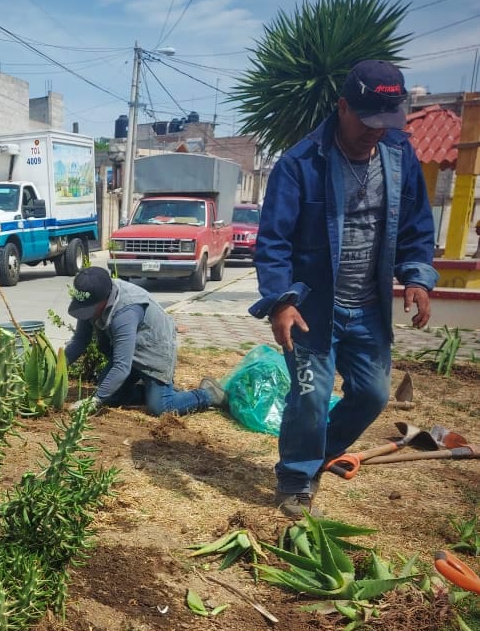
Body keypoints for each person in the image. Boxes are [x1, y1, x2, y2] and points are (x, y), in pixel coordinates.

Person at [251, 59, 438, 519]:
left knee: (373, 395)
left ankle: (319, 454)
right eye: (368, 120)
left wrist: (416, 276)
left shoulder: (399, 156)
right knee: (311, 395)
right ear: (343, 107)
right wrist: (281, 301)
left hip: (368, 308)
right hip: (313, 308)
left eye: (387, 122)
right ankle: (296, 477)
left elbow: (416, 225)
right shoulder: (300, 163)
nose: (377, 131)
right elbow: (273, 240)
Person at [63, 266, 226, 416]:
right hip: (129, 350)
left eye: (90, 308)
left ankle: (207, 394)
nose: (87, 313)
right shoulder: (93, 298)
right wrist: (55, 369)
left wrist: (95, 400)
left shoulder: (126, 311)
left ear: (105, 299)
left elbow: (121, 366)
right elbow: (80, 341)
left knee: (161, 407)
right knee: (111, 394)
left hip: (154, 350)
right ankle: (154, 392)